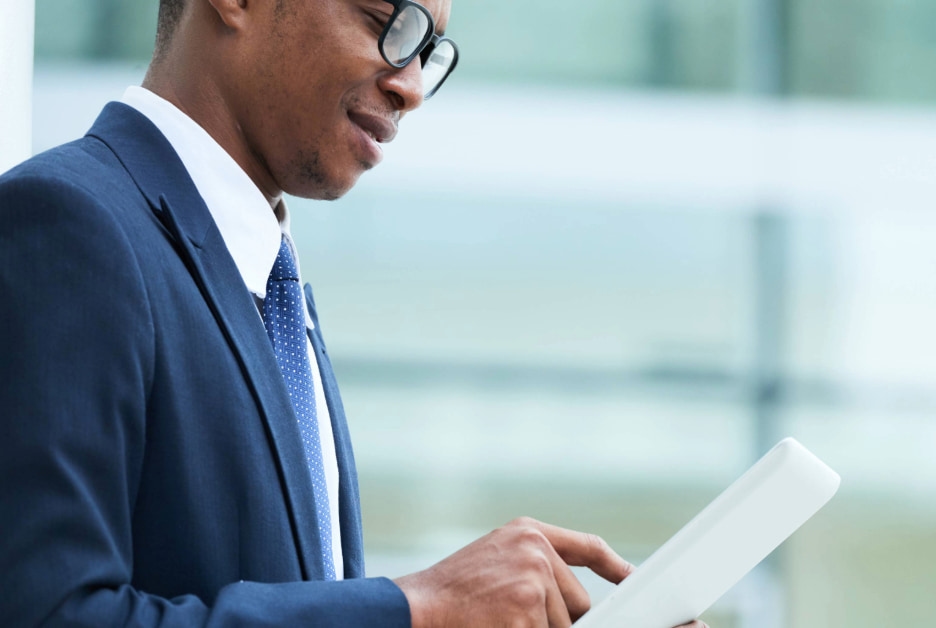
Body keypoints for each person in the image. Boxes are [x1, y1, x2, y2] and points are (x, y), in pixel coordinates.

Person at [0, 0, 710, 626]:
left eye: (428, 51)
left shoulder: (272, 285)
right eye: (385, 24)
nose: (410, 87)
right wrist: (419, 608)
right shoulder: (67, 225)